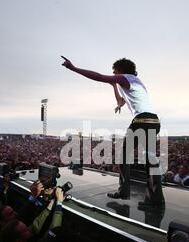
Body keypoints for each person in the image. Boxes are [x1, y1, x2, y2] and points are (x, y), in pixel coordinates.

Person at [61, 56, 164, 208]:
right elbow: (121, 101)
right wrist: (114, 86)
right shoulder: (135, 82)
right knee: (150, 160)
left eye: (114, 70)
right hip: (153, 121)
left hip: (141, 121)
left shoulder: (124, 77)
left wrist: (74, 68)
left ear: (121, 69)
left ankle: (124, 191)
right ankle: (155, 200)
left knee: (123, 156)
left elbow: (99, 77)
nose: (113, 72)